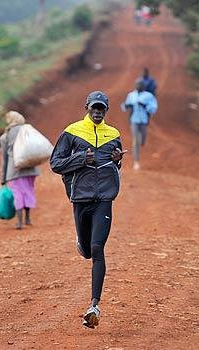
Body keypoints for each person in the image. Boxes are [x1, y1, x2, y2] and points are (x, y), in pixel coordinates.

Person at [49, 91, 125, 329]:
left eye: (101, 108)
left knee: (97, 247)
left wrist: (117, 159)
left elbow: (116, 163)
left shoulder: (113, 135)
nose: (97, 111)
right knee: (86, 250)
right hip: (80, 197)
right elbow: (55, 164)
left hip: (104, 197)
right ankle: (81, 244)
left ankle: (94, 305)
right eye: (94, 107)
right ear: (86, 108)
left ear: (106, 111)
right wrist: (81, 158)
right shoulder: (72, 132)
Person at [0, 111, 40, 230]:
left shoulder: (6, 136)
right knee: (28, 191)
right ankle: (27, 218)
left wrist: (3, 178)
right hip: (31, 168)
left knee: (18, 194)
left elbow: (5, 158)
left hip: (15, 169)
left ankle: (19, 222)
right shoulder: (27, 130)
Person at [122, 79, 158, 170]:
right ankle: (136, 162)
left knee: (142, 139)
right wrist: (127, 106)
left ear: (144, 86)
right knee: (136, 141)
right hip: (134, 120)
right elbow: (124, 106)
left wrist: (145, 106)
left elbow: (153, 108)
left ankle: (141, 142)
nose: (138, 86)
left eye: (140, 85)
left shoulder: (148, 96)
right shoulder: (131, 95)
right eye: (137, 84)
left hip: (144, 120)